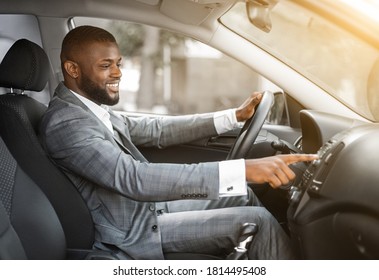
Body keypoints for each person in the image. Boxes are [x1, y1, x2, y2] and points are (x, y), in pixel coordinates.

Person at [39, 25, 317, 260]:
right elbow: (134, 178)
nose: (118, 73)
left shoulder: (89, 108)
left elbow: (156, 129)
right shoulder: (67, 123)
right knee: (257, 223)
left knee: (240, 193)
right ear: (73, 69)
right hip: (128, 232)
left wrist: (233, 116)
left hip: (141, 211)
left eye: (118, 64)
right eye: (105, 66)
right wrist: (242, 168)